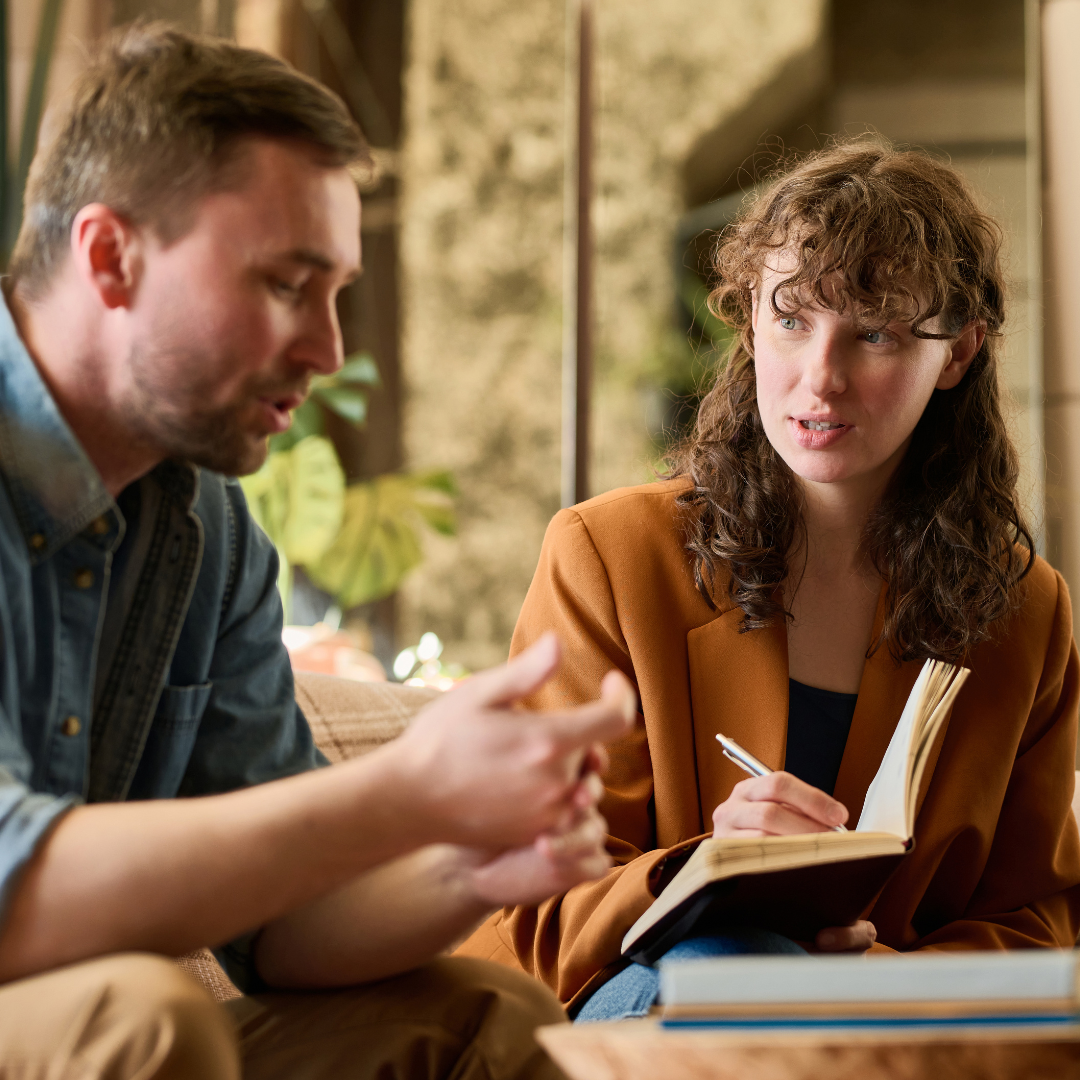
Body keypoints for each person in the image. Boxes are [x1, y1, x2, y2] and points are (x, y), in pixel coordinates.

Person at [0, 23, 640, 1080]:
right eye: (287, 285)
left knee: (482, 1012)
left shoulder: (205, 532)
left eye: (337, 291)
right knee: (141, 1017)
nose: (329, 350)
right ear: (112, 257)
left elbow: (289, 931)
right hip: (101, 1019)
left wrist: (481, 868)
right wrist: (403, 794)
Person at [457, 140, 1080, 1019]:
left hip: (887, 1029)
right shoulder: (608, 555)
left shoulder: (1024, 613)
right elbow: (530, 912)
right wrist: (701, 868)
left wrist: (882, 980)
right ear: (749, 316)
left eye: (875, 333)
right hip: (633, 1007)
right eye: (792, 319)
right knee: (737, 962)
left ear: (959, 354)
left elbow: (1041, 917)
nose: (820, 378)